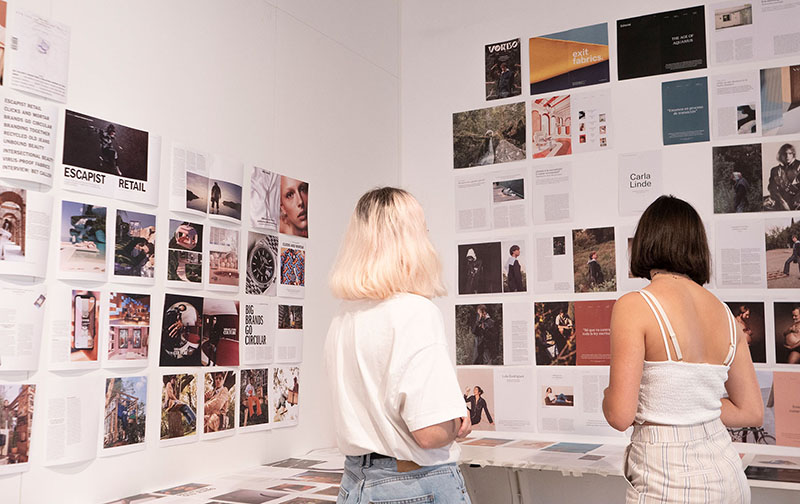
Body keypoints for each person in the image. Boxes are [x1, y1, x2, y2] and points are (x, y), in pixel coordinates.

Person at [603, 195, 762, 504]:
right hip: (728, 475)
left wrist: (608, 396)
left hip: (669, 479)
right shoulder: (726, 314)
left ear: (646, 241)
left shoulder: (635, 305)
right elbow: (751, 411)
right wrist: (688, 402)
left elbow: (620, 415)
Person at [325, 187, 472, 504]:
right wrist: (458, 421)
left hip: (355, 484)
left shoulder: (344, 316)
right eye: (423, 229)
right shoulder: (416, 312)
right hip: (415, 486)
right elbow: (430, 433)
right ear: (412, 240)